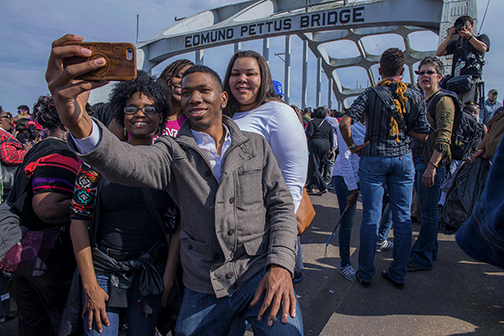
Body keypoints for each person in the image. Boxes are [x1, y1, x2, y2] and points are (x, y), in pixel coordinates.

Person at [46, 34, 302, 335]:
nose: (194, 98)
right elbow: (125, 162)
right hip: (204, 287)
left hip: (258, 276)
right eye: (186, 92)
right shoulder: (172, 152)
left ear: (222, 99)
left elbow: (282, 206)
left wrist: (281, 266)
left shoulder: (256, 146)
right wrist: (74, 117)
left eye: (204, 90)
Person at [69, 71, 181, 335]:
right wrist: (89, 284)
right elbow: (78, 221)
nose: (140, 114)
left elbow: (179, 225)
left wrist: (167, 279)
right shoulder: (96, 163)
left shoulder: (172, 166)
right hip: (104, 270)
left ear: (162, 117)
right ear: (120, 115)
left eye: (150, 108)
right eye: (131, 108)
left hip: (149, 272)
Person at [339, 48, 432, 289]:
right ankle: (398, 273)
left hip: (374, 158)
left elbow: (345, 123)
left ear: (380, 71)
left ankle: (366, 272)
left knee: (371, 216)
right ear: (402, 71)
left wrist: (354, 147)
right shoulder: (414, 95)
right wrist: (402, 131)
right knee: (402, 217)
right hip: (403, 159)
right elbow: (423, 134)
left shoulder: (371, 94)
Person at [222, 50, 308, 282]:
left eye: (251, 73)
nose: (242, 79)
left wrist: (279, 237)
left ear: (264, 78)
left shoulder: (278, 112)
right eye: (235, 73)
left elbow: (292, 179)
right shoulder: (226, 114)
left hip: (264, 229)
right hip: (233, 229)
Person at [7, 95, 81, 335]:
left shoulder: (38, 148)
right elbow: (46, 207)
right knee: (62, 321)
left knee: (32, 323)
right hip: (49, 258)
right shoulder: (61, 152)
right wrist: (89, 200)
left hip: (25, 254)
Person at [408, 56, 455, 272]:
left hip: (430, 163)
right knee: (428, 212)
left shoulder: (442, 100)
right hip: (421, 161)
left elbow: (444, 137)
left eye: (430, 72)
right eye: (421, 72)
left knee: (427, 214)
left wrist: (432, 166)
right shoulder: (423, 100)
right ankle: (431, 251)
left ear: (439, 77)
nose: (425, 76)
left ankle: (421, 258)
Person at [331, 114, 366, 282]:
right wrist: (353, 189)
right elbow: (345, 159)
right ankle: (344, 263)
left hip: (364, 176)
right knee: (347, 222)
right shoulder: (347, 126)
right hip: (345, 178)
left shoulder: (374, 125)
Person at [436, 15, 489, 104]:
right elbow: (439, 52)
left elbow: (483, 48)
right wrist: (449, 37)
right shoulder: (457, 43)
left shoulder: (480, 38)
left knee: (469, 108)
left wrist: (469, 36)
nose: (463, 30)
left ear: (472, 26)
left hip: (471, 80)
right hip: (456, 81)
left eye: (466, 27)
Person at [305, 105, 334, 196]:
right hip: (326, 145)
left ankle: (323, 187)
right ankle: (311, 186)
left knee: (313, 167)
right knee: (320, 166)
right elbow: (331, 137)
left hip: (315, 144)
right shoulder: (328, 124)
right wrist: (332, 149)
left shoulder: (312, 122)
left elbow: (309, 134)